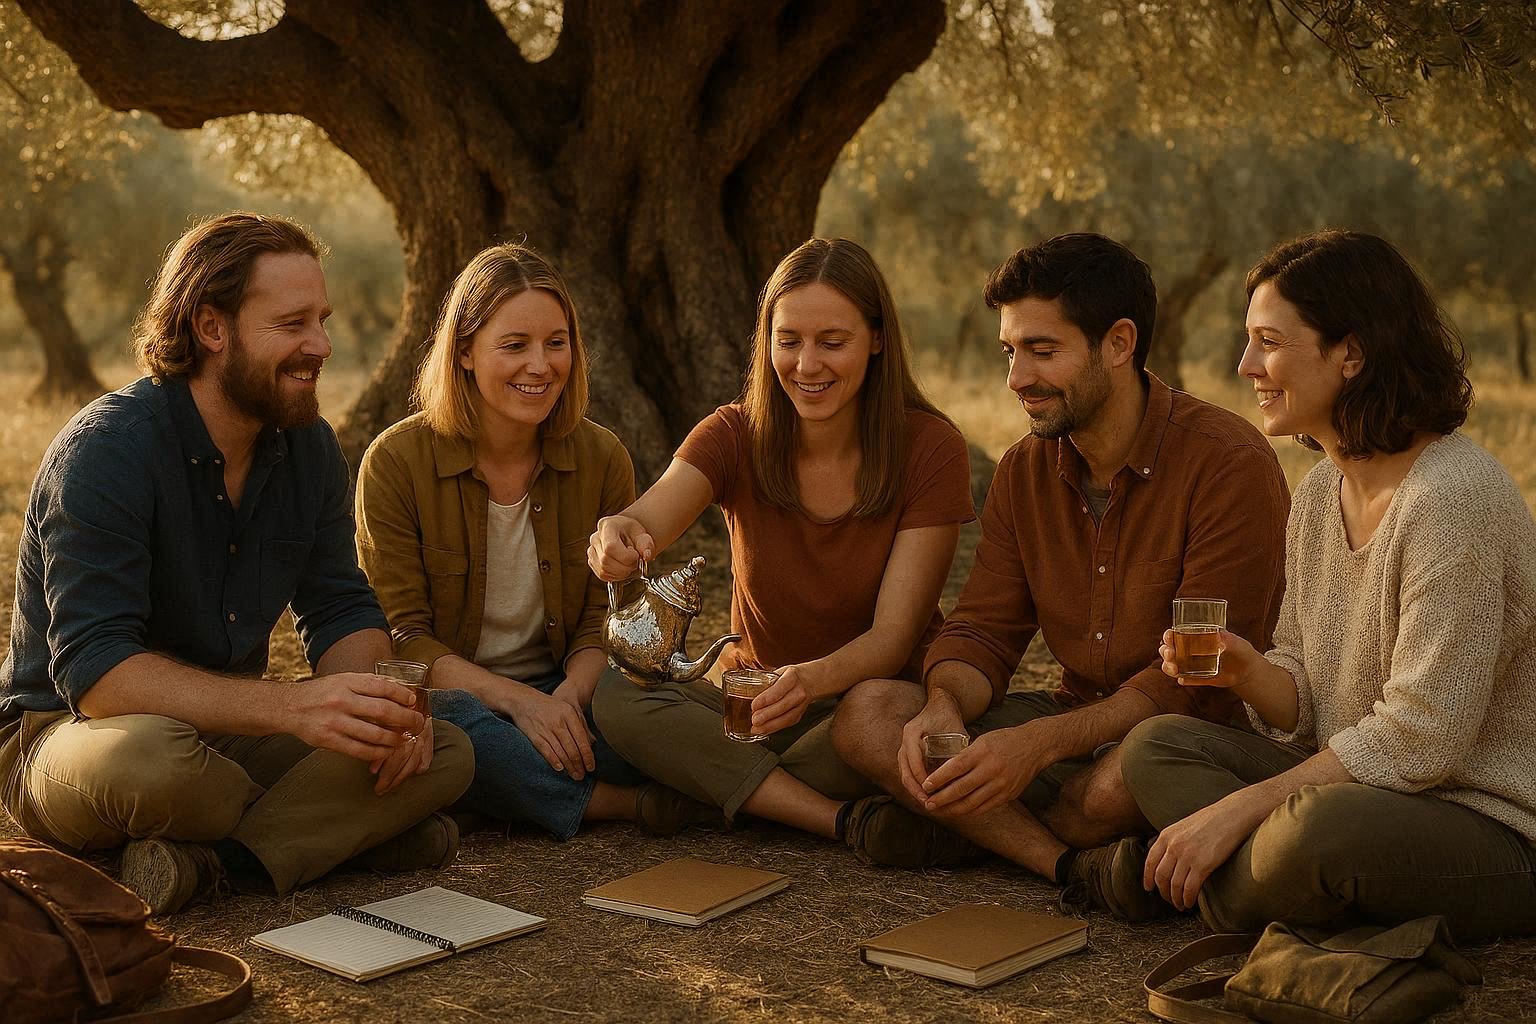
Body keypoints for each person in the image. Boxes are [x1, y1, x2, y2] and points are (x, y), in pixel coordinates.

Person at [0, 213, 474, 914]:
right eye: (293, 324)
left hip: (223, 734)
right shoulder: (107, 452)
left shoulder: (307, 447)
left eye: (322, 320)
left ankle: (214, 866)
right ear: (212, 329)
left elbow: (340, 607)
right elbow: (96, 674)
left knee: (449, 746)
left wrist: (382, 710)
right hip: (72, 736)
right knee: (159, 763)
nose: (322, 345)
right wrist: (293, 708)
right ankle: (330, 837)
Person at [1081, 230, 1536, 942]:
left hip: (1485, 822)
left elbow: (1422, 739)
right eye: (1248, 340)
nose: (1245, 365)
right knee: (1157, 744)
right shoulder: (1324, 490)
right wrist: (1247, 670)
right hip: (1358, 788)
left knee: (1318, 829)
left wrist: (1241, 809)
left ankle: (1179, 877)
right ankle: (1254, 884)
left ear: (1349, 353)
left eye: (1268, 341)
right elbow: (1304, 687)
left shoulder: (1454, 500)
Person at [832, 234, 1289, 906]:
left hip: (1183, 741)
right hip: (1076, 725)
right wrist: (943, 705)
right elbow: (984, 630)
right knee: (871, 713)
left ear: (1119, 344)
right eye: (1010, 352)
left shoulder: (1228, 464)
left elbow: (1192, 684)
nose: (1017, 378)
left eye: (1043, 352)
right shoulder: (1023, 470)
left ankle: (968, 830)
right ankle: (1068, 866)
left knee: (1122, 776)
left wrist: (1036, 747)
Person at [589, 237, 974, 843]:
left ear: (877, 338)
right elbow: (645, 519)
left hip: (860, 710)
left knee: (863, 727)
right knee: (616, 696)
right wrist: (617, 535)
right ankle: (830, 817)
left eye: (832, 342)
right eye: (788, 340)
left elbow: (892, 638)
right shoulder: (732, 433)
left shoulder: (930, 449)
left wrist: (806, 682)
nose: (806, 365)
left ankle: (720, 789)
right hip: (752, 711)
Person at [356, 243, 695, 839]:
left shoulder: (602, 458)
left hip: (570, 686)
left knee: (640, 716)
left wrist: (563, 701)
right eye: (514, 346)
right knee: (451, 729)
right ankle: (621, 805)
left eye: (556, 343)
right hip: (463, 695)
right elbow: (406, 642)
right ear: (464, 351)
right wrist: (518, 703)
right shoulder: (395, 462)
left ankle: (495, 792)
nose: (540, 366)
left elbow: (605, 623)